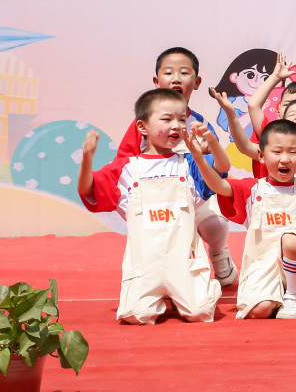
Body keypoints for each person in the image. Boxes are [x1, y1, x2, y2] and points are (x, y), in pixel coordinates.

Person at [77, 88, 223, 324]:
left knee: (200, 313)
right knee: (136, 316)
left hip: (184, 263)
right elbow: (87, 189)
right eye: (166, 119)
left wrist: (212, 144)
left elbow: (220, 171)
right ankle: (163, 297)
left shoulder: (189, 164)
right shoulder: (126, 168)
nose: (176, 125)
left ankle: (201, 288)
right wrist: (87, 159)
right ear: (142, 127)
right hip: (144, 266)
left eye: (182, 119)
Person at [193, 118, 296, 319]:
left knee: (290, 239)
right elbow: (218, 185)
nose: (285, 159)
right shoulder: (251, 189)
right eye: (277, 151)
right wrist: (198, 157)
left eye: (292, 152)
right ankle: (274, 297)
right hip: (264, 269)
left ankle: (293, 297)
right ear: (261, 155)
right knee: (258, 311)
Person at [110, 48, 237, 287]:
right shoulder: (142, 126)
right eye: (168, 73)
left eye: (184, 73)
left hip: (193, 197)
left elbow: (218, 171)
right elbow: (123, 165)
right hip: (156, 200)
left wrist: (207, 148)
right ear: (156, 81)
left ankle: (218, 253)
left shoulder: (201, 124)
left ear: (196, 82)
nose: (176, 78)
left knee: (214, 225)